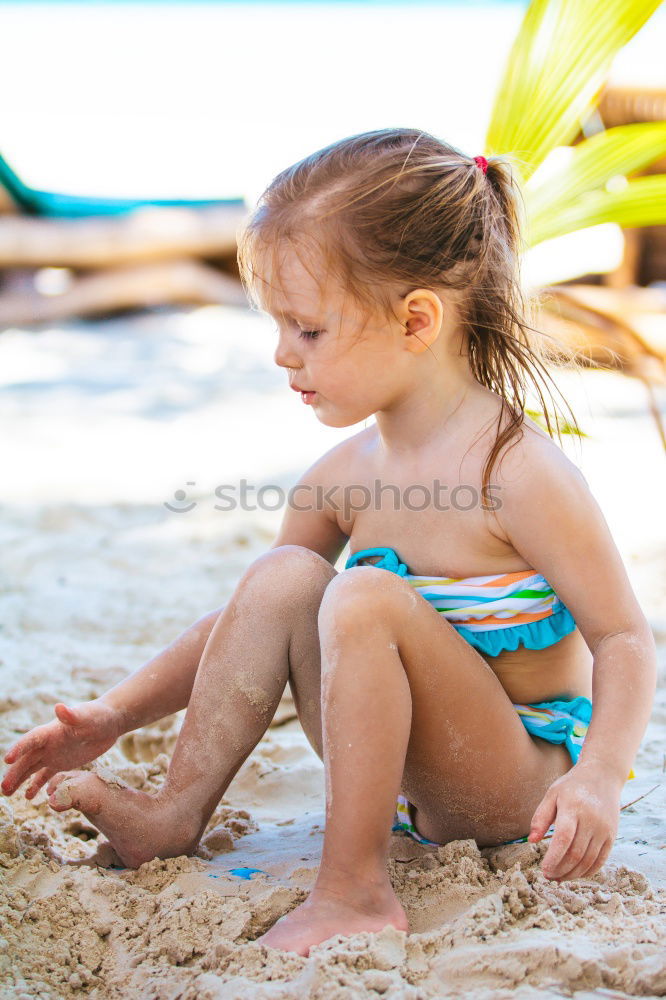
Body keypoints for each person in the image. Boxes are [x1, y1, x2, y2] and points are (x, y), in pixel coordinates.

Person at [1, 129, 657, 958]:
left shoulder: (518, 473)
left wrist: (597, 779)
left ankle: (354, 889)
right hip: (400, 774)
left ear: (417, 320)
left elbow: (624, 636)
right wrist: (113, 714)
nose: (282, 354)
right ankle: (175, 812)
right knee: (285, 575)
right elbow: (255, 625)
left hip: (509, 783)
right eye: (278, 327)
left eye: (308, 330)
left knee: (363, 593)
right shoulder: (338, 477)